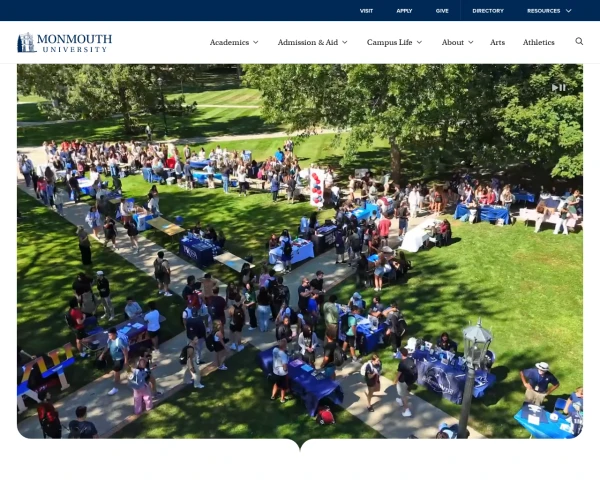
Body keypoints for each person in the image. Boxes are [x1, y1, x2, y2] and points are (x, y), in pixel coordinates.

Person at [99, 327, 129, 396]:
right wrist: (102, 354)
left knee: (116, 373)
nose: (109, 336)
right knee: (125, 369)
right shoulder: (110, 339)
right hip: (114, 359)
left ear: (114, 334)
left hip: (119, 359)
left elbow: (125, 351)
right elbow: (107, 346)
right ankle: (133, 378)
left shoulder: (119, 341)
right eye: (108, 335)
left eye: (110, 335)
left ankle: (115, 388)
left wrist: (126, 360)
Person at [394, 347, 416, 417]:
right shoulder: (410, 359)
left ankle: (407, 410)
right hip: (410, 380)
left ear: (401, 354)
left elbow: (399, 374)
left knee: (403, 395)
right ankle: (401, 400)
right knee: (405, 391)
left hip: (403, 381)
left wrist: (395, 381)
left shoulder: (402, 363)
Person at [271, 339, 289, 403]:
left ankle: (273, 396)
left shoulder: (275, 350)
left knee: (276, 384)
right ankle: (282, 399)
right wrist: (286, 369)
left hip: (275, 371)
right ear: (285, 346)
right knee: (283, 387)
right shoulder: (284, 355)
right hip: (282, 374)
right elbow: (285, 367)